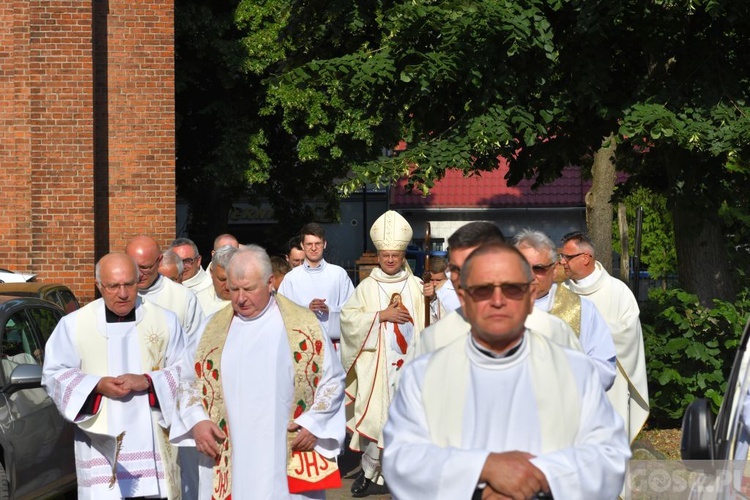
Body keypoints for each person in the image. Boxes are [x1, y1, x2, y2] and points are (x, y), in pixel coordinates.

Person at [382, 242, 631, 499]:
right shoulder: (425, 375)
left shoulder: (575, 370)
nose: (498, 301)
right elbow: (401, 456)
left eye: (511, 288)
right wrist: (483, 469)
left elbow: (608, 455)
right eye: (483, 289)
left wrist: (537, 476)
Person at [171, 246, 346, 499]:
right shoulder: (211, 329)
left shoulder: (305, 326)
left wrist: (314, 424)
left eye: (249, 289)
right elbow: (187, 381)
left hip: (288, 450)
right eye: (234, 289)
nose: (240, 298)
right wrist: (197, 421)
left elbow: (333, 381)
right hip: (229, 452)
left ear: (270, 282)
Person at [42, 253, 186, 499]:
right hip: (100, 444)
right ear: (99, 285)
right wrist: (96, 385)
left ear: (138, 281)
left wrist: (148, 382)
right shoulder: (74, 324)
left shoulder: (165, 321)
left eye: (129, 284)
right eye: (113, 286)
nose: (122, 293)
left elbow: (187, 372)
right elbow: (54, 374)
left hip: (153, 441)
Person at [340, 210, 426, 497]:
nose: (390, 260)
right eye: (386, 255)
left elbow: (431, 322)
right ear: (378, 256)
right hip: (377, 366)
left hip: (410, 367)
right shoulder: (366, 287)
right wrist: (380, 315)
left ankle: (405, 479)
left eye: (396, 255)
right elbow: (348, 320)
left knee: (409, 425)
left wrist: (434, 300)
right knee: (377, 422)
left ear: (404, 256)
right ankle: (368, 473)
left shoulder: (417, 286)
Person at [410, 222, 581, 361]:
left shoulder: (551, 331)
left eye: (472, 267)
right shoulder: (433, 339)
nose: (462, 278)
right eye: (456, 269)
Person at [559, 231, 649, 443]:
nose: (562, 261)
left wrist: (590, 333)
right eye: (561, 256)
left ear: (585, 258)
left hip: (611, 384)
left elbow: (630, 336)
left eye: (567, 257)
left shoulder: (618, 292)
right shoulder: (560, 295)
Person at [514, 229, 618, 390]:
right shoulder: (496, 308)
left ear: (554, 270)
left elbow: (605, 369)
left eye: (539, 268)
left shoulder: (582, 309)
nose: (530, 275)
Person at [278, 223, 355, 348]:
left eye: (317, 243)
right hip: (302, 346)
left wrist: (330, 309)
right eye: (309, 244)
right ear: (302, 245)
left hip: (333, 345)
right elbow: (282, 311)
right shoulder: (291, 278)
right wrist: (306, 308)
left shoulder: (338, 274)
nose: (313, 248)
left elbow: (353, 309)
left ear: (324, 244)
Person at [126, 236, 204, 340]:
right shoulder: (118, 294)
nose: (139, 274)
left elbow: (197, 342)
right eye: (134, 267)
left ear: (159, 261)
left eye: (145, 267)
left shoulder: (183, 297)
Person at [171, 237, 215, 311]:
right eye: (176, 261)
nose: (182, 266)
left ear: (198, 261)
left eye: (187, 261)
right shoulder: (166, 285)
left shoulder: (212, 288)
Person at [201, 244, 237, 316]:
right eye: (222, 279)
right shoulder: (198, 302)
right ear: (211, 272)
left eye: (233, 280)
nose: (227, 286)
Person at [422, 256, 449, 324]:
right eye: (431, 280)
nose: (434, 284)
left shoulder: (452, 295)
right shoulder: (419, 290)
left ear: (447, 278)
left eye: (438, 280)